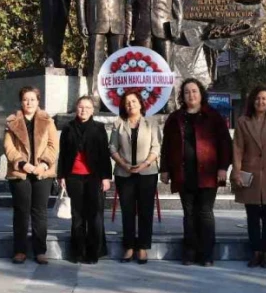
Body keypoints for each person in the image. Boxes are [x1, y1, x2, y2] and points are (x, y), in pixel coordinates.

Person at [161, 79, 232, 266]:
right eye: (186, 92)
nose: (191, 95)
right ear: (182, 96)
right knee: (189, 213)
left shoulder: (213, 116)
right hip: (184, 173)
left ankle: (206, 254)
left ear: (201, 94)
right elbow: (166, 146)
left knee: (205, 212)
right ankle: (190, 252)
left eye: (194, 91)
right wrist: (165, 169)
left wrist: (223, 168)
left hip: (207, 173)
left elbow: (225, 144)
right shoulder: (175, 118)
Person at [231, 85, 266, 269]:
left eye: (264, 98)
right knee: (252, 216)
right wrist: (237, 172)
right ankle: (256, 252)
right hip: (250, 174)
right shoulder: (242, 121)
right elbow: (238, 149)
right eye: (257, 98)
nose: (260, 102)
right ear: (252, 101)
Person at [3, 86, 59, 265]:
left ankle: (40, 250)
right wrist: (23, 164)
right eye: (26, 99)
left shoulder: (48, 120)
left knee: (40, 212)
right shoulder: (12, 121)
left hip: (43, 172)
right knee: (21, 212)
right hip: (20, 172)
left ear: (38, 101)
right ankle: (19, 250)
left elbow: (53, 145)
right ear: (21, 101)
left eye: (32, 99)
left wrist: (43, 164)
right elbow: (8, 147)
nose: (29, 102)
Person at [76, 0, 130, 107]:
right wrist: (82, 22)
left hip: (117, 20)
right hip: (95, 19)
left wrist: (129, 25)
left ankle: (117, 98)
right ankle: (95, 98)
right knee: (95, 61)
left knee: (118, 63)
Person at [58, 96, 112, 264]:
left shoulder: (99, 128)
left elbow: (104, 154)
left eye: (88, 107)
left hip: (93, 176)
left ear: (93, 110)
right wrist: (61, 176)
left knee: (94, 215)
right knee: (77, 215)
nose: (84, 110)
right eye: (81, 107)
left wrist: (106, 177)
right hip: (73, 176)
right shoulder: (68, 128)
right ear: (76, 108)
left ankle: (93, 251)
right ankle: (78, 251)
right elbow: (63, 154)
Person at [109, 91, 161, 264]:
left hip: (147, 172)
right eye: (127, 102)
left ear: (140, 103)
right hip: (124, 173)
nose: (131, 104)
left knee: (146, 211)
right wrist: (124, 164)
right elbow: (112, 148)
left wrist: (144, 164)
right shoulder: (118, 123)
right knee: (128, 211)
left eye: (134, 101)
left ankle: (143, 247)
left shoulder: (151, 123)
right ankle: (129, 246)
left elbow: (156, 147)